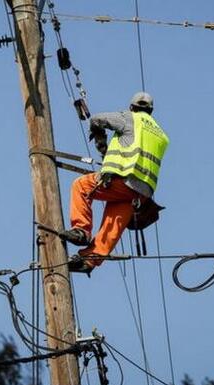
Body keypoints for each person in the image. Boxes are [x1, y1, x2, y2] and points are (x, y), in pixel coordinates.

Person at [61, 92, 169, 274]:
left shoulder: (130, 118)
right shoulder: (161, 134)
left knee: (81, 186)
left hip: (124, 181)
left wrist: (100, 138)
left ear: (132, 107)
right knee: (114, 223)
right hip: (141, 193)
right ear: (151, 111)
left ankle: (81, 231)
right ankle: (89, 261)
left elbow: (97, 119)